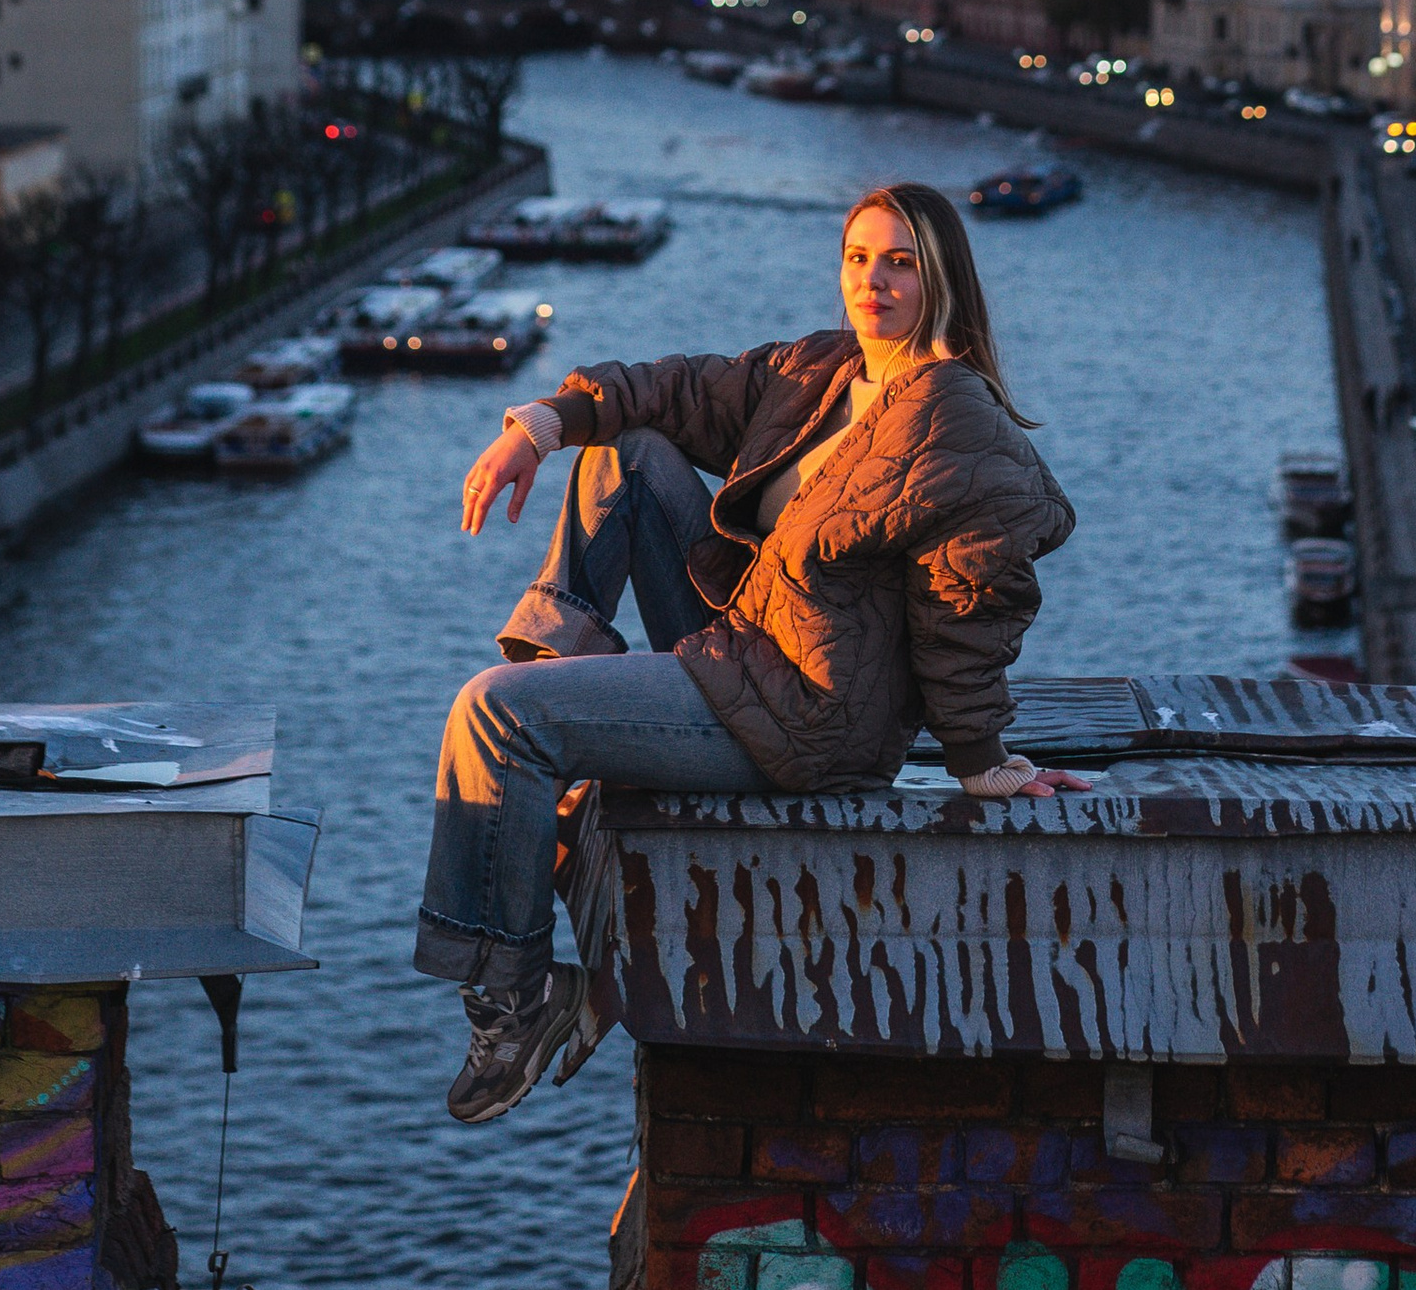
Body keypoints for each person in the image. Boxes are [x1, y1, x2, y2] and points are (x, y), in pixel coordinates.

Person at [416, 178, 1081, 1124]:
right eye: (858, 258)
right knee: (627, 454)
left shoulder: (953, 421)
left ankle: (515, 1004)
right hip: (741, 646)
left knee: (495, 716)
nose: (873, 282)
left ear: (942, 276)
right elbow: (677, 391)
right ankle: (560, 696)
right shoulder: (824, 371)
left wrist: (982, 762)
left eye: (900, 262)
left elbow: (967, 607)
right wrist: (542, 423)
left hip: (808, 715)